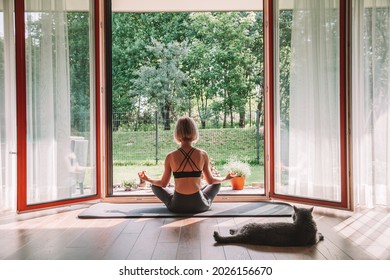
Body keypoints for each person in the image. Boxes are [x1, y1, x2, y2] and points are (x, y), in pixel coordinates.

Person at [138, 116, 235, 213]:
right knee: (216, 184)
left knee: (155, 186)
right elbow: (210, 181)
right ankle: (199, 197)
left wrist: (147, 179)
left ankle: (177, 199)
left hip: (177, 206)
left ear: (177, 133)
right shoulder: (202, 154)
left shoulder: (170, 156)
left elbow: (163, 184)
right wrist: (225, 178)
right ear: (194, 131)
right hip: (199, 206)